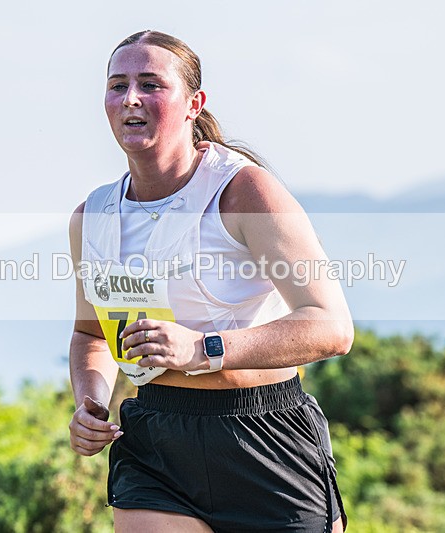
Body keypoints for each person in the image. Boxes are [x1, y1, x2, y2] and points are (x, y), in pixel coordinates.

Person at [68, 30, 354, 533]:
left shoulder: (244, 190)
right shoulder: (92, 216)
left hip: (264, 436)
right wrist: (90, 400)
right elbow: (91, 334)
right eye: (117, 85)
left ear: (193, 104)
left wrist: (202, 348)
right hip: (156, 437)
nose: (130, 97)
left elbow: (331, 327)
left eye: (150, 84)